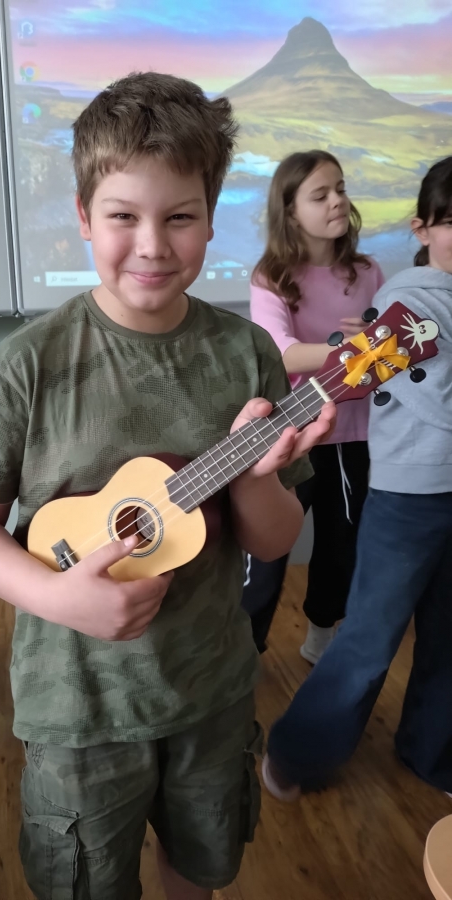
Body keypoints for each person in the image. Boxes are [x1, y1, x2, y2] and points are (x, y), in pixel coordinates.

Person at [0, 73, 334, 899]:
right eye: (123, 216)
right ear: (83, 216)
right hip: (77, 708)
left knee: (199, 866)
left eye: (179, 217)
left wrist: (253, 474)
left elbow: (272, 539)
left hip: (210, 687)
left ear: (211, 219)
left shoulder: (246, 357)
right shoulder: (28, 364)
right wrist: (59, 599)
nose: (152, 245)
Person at [261, 156, 452, 801]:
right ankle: (295, 754)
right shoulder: (407, 301)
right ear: (423, 229)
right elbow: (432, 401)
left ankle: (431, 752)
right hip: (410, 495)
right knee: (370, 636)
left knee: (448, 635)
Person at [242, 150, 384, 661]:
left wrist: (374, 341)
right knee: (266, 552)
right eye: (320, 195)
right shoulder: (271, 276)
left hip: (354, 433)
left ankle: (322, 631)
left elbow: (388, 349)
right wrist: (355, 349)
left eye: (340, 189)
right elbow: (282, 352)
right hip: (290, 433)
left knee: (342, 544)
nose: (337, 201)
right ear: (290, 210)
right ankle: (245, 649)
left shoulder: (368, 271)